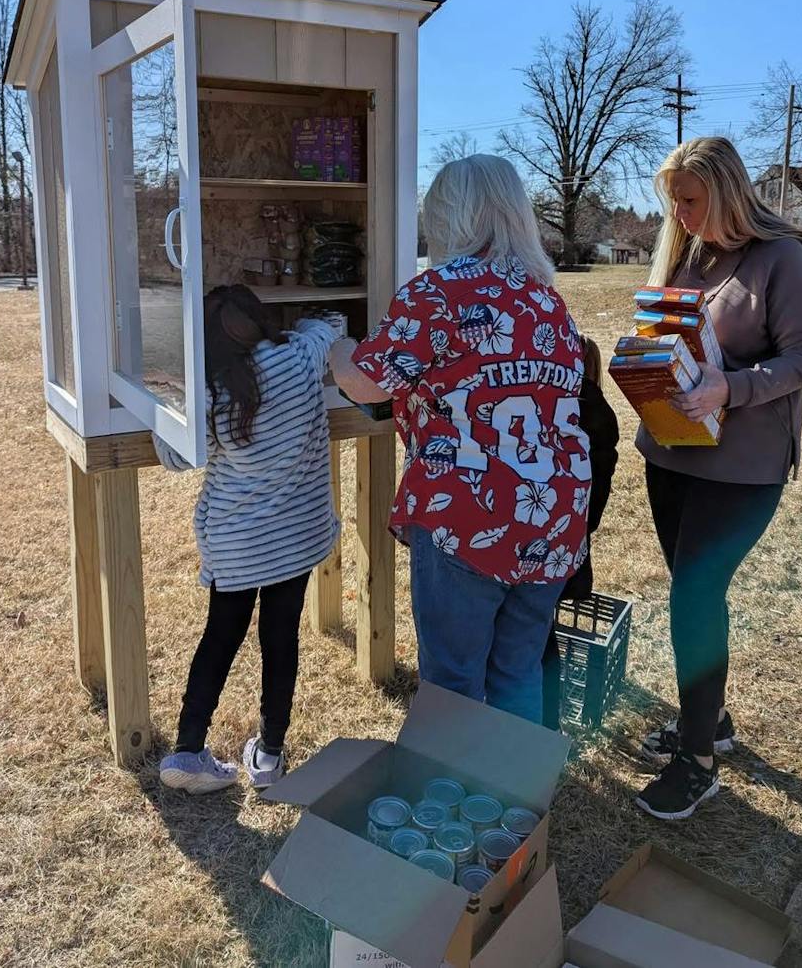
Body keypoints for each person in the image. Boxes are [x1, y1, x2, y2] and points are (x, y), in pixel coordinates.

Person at [330, 154, 591, 726]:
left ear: (450, 217)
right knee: (518, 672)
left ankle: (450, 807)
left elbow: (367, 383)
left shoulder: (439, 291)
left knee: (452, 680)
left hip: (467, 514)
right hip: (551, 515)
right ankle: (515, 807)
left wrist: (335, 346)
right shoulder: (547, 299)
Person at [633, 137, 802, 821]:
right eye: (673, 201)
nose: (679, 215)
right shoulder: (687, 255)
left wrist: (731, 389)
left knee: (695, 595)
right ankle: (708, 722)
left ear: (725, 190)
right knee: (694, 598)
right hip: (671, 452)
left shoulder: (782, 258)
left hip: (742, 467)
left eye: (689, 199)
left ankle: (698, 763)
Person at [156, 285, 343, 794]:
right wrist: (303, 327)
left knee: (219, 639)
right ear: (261, 320)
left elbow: (176, 457)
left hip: (237, 546)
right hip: (294, 540)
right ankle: (270, 755)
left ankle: (189, 749)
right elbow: (333, 321)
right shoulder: (301, 356)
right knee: (280, 641)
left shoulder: (214, 392)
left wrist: (175, 394)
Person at [541, 336, 619, 731]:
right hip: (571, 545)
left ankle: (541, 725)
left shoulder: (561, 407)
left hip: (539, 543)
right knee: (543, 637)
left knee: (534, 642)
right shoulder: (603, 416)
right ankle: (548, 721)